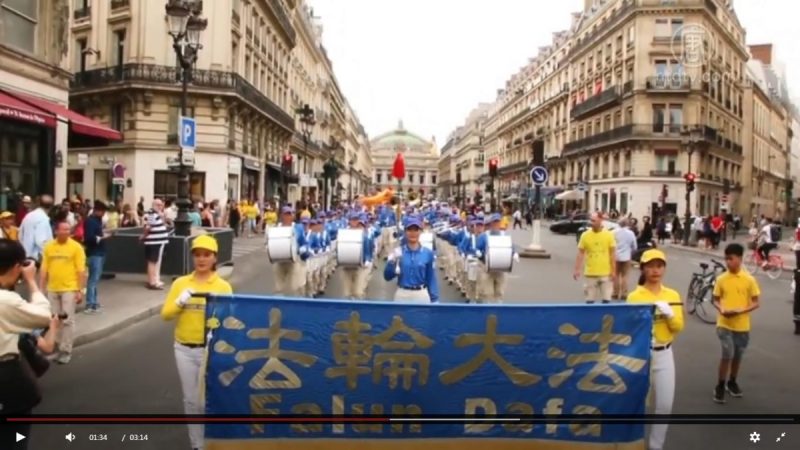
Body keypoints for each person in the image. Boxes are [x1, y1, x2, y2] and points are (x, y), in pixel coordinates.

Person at [160, 234, 232, 450]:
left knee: (208, 400)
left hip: (211, 350)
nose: (201, 259)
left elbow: (231, 319)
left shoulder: (222, 286)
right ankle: (197, 445)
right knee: (191, 401)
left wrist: (217, 320)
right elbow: (166, 315)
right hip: (184, 348)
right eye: (197, 255)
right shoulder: (182, 283)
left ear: (214, 258)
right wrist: (181, 301)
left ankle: (214, 439)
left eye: (206, 255)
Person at [626, 249, 684, 450]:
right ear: (643, 269)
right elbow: (628, 328)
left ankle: (656, 445)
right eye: (650, 266)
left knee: (665, 405)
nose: (655, 270)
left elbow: (678, 326)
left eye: (659, 266)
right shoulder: (635, 296)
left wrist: (668, 314)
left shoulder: (672, 295)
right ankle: (634, 443)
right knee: (637, 403)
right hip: (641, 354)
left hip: (664, 353)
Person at [0, 240, 52, 450]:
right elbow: (43, 317)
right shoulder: (6, 301)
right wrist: (31, 282)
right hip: (6, 380)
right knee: (13, 441)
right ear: (16, 267)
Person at [712, 243, 760, 404]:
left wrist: (742, 310)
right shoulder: (721, 279)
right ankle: (720, 384)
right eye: (726, 259)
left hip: (742, 324)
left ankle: (732, 381)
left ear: (739, 259)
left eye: (731, 259)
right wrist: (721, 308)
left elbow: (756, 302)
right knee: (728, 353)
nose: (728, 262)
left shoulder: (749, 280)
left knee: (738, 355)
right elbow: (716, 299)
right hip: (724, 323)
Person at [38, 221, 86, 365]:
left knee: (67, 320)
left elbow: (81, 271)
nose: (66, 232)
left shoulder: (76, 247)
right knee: (53, 320)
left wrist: (80, 290)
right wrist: (41, 288)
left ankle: (65, 350)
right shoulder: (49, 247)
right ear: (56, 231)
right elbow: (44, 269)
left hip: (69, 289)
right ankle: (54, 346)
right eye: (63, 229)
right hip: (53, 288)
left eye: (68, 229)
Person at [384, 215, 439, 303]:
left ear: (420, 231)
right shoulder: (399, 252)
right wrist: (392, 261)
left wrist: (434, 299)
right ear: (405, 231)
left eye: (416, 230)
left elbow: (431, 278)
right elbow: (387, 277)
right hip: (402, 294)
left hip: (421, 294)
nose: (413, 233)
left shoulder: (428, 253)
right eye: (409, 230)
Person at [475, 214, 519, 303]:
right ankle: (489, 311)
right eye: (494, 222)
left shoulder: (504, 235)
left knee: (500, 292)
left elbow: (511, 246)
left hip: (501, 268)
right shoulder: (484, 236)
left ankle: (499, 310)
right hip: (486, 268)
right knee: (488, 293)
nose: (496, 224)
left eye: (498, 222)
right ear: (491, 224)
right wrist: (478, 253)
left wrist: (514, 254)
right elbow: (476, 247)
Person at [574, 212, 616, 304]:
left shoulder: (609, 235)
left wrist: (613, 271)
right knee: (589, 301)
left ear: (601, 220)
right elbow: (580, 253)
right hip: (590, 273)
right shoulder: (585, 235)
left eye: (593, 221)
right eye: (590, 220)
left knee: (606, 301)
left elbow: (612, 254)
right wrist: (577, 269)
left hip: (605, 273)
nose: (591, 223)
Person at [83, 201, 111, 314]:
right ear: (98, 211)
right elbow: (89, 238)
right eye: (103, 211)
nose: (104, 214)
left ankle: (93, 302)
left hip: (99, 252)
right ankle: (90, 303)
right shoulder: (90, 222)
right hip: (95, 253)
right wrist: (102, 237)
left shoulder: (96, 221)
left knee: (94, 278)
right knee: (93, 279)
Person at [339, 213, 374, 300]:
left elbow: (368, 247)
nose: (354, 222)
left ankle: (359, 310)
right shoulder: (344, 233)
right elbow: (340, 247)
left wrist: (367, 259)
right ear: (349, 221)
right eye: (352, 220)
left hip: (359, 266)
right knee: (347, 293)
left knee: (358, 292)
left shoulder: (363, 234)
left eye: (356, 220)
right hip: (346, 266)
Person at [141, 199, 170, 290]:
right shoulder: (151, 214)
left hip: (157, 241)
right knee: (152, 261)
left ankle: (154, 280)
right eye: (158, 205)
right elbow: (148, 227)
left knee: (154, 261)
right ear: (154, 205)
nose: (160, 207)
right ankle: (152, 282)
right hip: (154, 241)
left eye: (161, 205)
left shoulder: (155, 214)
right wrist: (143, 236)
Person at [19, 195, 54, 263]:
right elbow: (41, 241)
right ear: (51, 206)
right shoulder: (43, 219)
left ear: (39, 203)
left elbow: (20, 234)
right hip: (37, 259)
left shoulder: (28, 216)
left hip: (25, 256)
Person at [612, 219, 637, 300]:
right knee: (625, 276)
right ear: (626, 224)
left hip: (615, 256)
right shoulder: (630, 233)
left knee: (616, 275)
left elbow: (610, 245)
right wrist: (631, 253)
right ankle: (624, 293)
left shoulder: (613, 232)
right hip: (626, 256)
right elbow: (634, 246)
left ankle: (615, 293)